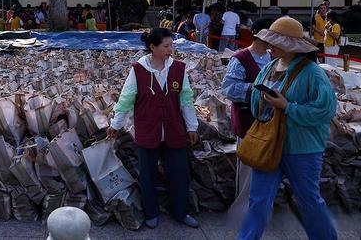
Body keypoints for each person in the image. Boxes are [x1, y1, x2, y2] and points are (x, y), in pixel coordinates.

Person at [238, 17, 337, 240]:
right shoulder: (272, 66)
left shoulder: (313, 72)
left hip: (302, 148)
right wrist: (264, 100)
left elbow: (325, 111)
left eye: (275, 42)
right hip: (269, 143)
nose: (270, 45)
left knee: (308, 201)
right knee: (258, 200)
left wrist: (287, 106)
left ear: (290, 45)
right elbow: (256, 104)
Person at [107, 28, 199, 229]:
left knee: (178, 174)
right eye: (166, 46)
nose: (170, 49)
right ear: (153, 47)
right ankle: (151, 212)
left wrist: (192, 126)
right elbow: (126, 100)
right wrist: (116, 124)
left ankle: (181, 212)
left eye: (171, 45)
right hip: (148, 131)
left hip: (174, 131)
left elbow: (186, 100)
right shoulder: (138, 70)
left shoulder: (178, 69)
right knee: (148, 175)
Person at [221, 20, 273, 226]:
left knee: (264, 168)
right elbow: (228, 89)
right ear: (257, 34)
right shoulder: (240, 58)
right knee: (248, 169)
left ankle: (260, 211)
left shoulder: (270, 57)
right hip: (247, 120)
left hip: (267, 121)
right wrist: (256, 89)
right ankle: (243, 213)